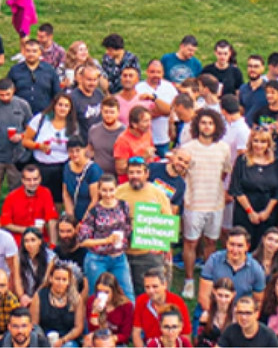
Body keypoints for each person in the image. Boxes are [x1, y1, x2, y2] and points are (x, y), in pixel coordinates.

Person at [181, 108, 232, 299]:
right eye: (203, 123)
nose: (207, 126)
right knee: (191, 242)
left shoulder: (223, 148)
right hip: (193, 203)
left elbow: (224, 172)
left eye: (210, 123)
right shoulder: (188, 148)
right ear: (197, 125)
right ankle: (188, 280)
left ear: (216, 126)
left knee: (211, 241)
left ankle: (207, 277)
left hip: (216, 203)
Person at [116, 157, 173, 290]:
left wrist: (164, 246)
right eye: (131, 172)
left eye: (138, 172)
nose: (135, 176)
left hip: (149, 253)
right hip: (124, 252)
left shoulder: (158, 193)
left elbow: (168, 221)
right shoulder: (118, 192)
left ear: (146, 174)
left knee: (151, 291)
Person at [78, 174, 135, 300]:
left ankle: (129, 319)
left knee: (127, 293)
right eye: (104, 190)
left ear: (116, 189)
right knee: (97, 295)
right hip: (97, 258)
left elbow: (128, 227)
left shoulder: (123, 206)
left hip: (119, 257)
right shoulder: (94, 211)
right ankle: (94, 319)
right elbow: (82, 240)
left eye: (111, 190)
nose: (108, 194)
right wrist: (106, 240)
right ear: (99, 190)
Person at [230, 126, 278, 245]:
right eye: (256, 141)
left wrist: (267, 212)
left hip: (267, 212)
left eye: (263, 142)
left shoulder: (275, 162)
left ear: (268, 144)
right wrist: (250, 212)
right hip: (245, 211)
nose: (259, 145)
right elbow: (236, 188)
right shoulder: (242, 160)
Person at [0, 78, 33, 191]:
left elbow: (31, 128)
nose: (4, 97)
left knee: (16, 190)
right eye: (1, 95)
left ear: (13, 90)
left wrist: (21, 136)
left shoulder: (22, 105)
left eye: (7, 94)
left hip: (16, 155)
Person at [30, 260, 85, 347]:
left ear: (69, 281)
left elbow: (78, 327)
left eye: (64, 280)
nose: (60, 283)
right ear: (51, 278)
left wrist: (63, 340)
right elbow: (34, 324)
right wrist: (44, 341)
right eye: (57, 279)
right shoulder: (39, 295)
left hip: (67, 340)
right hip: (44, 339)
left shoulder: (76, 298)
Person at [132, 268, 191, 346]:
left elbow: (185, 334)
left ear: (165, 285)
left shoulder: (177, 302)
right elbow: (136, 332)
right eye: (147, 287)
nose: (151, 291)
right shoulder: (141, 301)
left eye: (155, 286)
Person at [9, 40, 60, 116]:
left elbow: (57, 94)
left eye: (34, 51)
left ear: (40, 52)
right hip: (20, 115)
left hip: (44, 115)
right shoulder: (15, 70)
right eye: (28, 51)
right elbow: (9, 93)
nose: (31, 54)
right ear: (23, 52)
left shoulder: (49, 70)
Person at [85, 272, 134, 347]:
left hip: (117, 342)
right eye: (99, 291)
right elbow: (93, 331)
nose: (102, 295)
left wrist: (110, 340)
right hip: (98, 342)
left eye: (106, 292)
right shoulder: (92, 301)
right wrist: (95, 312)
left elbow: (125, 335)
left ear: (114, 292)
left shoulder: (126, 305)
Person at [87, 98, 126, 193]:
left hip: (118, 179)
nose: (108, 115)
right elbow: (90, 151)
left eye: (112, 112)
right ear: (101, 112)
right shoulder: (93, 130)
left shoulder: (125, 132)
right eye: (106, 112)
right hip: (97, 178)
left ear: (118, 113)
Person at [63, 135, 102, 223]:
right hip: (74, 213)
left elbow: (95, 199)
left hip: (90, 215)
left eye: (78, 150)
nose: (74, 154)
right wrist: (71, 219)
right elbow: (66, 194)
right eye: (71, 151)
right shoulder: (67, 167)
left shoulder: (93, 170)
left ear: (85, 149)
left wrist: (83, 222)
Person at [113, 105, 157, 180]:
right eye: (145, 121)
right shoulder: (123, 141)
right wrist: (142, 158)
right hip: (130, 183)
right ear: (134, 124)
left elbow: (151, 154)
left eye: (150, 120)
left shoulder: (147, 132)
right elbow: (120, 170)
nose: (149, 124)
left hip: (145, 178)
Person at [18, 227, 56, 305]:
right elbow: (17, 279)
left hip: (43, 295)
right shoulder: (18, 257)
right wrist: (22, 297)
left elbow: (45, 281)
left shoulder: (50, 257)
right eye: (26, 241)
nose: (30, 244)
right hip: (24, 296)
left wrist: (33, 299)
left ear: (40, 241)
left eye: (33, 240)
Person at [196, 277, 237, 347]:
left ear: (233, 295)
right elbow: (200, 342)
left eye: (227, 296)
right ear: (214, 292)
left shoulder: (237, 317)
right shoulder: (206, 316)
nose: (223, 300)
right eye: (220, 295)